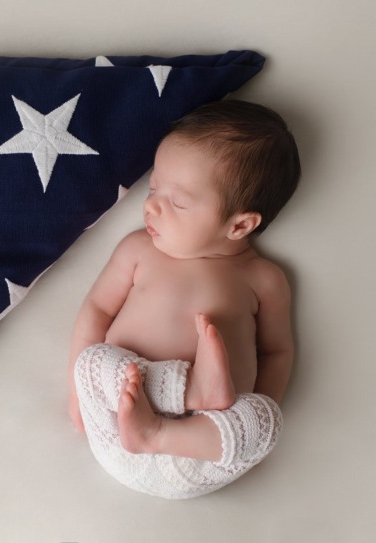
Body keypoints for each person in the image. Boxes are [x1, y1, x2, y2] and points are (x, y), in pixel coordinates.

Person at [68, 100, 300, 498]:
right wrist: (79, 394)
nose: (152, 205)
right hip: (118, 427)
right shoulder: (138, 250)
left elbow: (278, 352)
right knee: (93, 361)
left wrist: (238, 422)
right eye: (154, 187)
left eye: (177, 202)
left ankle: (163, 429)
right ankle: (194, 389)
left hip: (199, 450)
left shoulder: (264, 279)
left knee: (266, 420)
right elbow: (97, 310)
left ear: (240, 224)